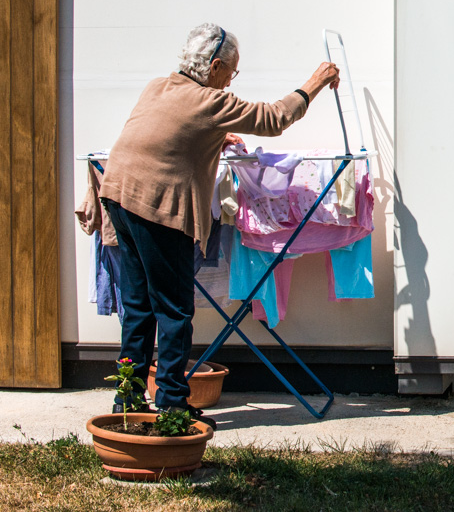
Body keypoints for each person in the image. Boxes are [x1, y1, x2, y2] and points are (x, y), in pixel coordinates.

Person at [99, 23, 340, 423]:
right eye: (231, 71)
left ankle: (127, 400)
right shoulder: (209, 101)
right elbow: (273, 118)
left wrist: (217, 135)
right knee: (174, 310)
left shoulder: (159, 87)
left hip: (120, 195)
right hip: (157, 206)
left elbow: (169, 130)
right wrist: (314, 82)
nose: (231, 81)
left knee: (139, 306)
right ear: (214, 68)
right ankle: (173, 407)